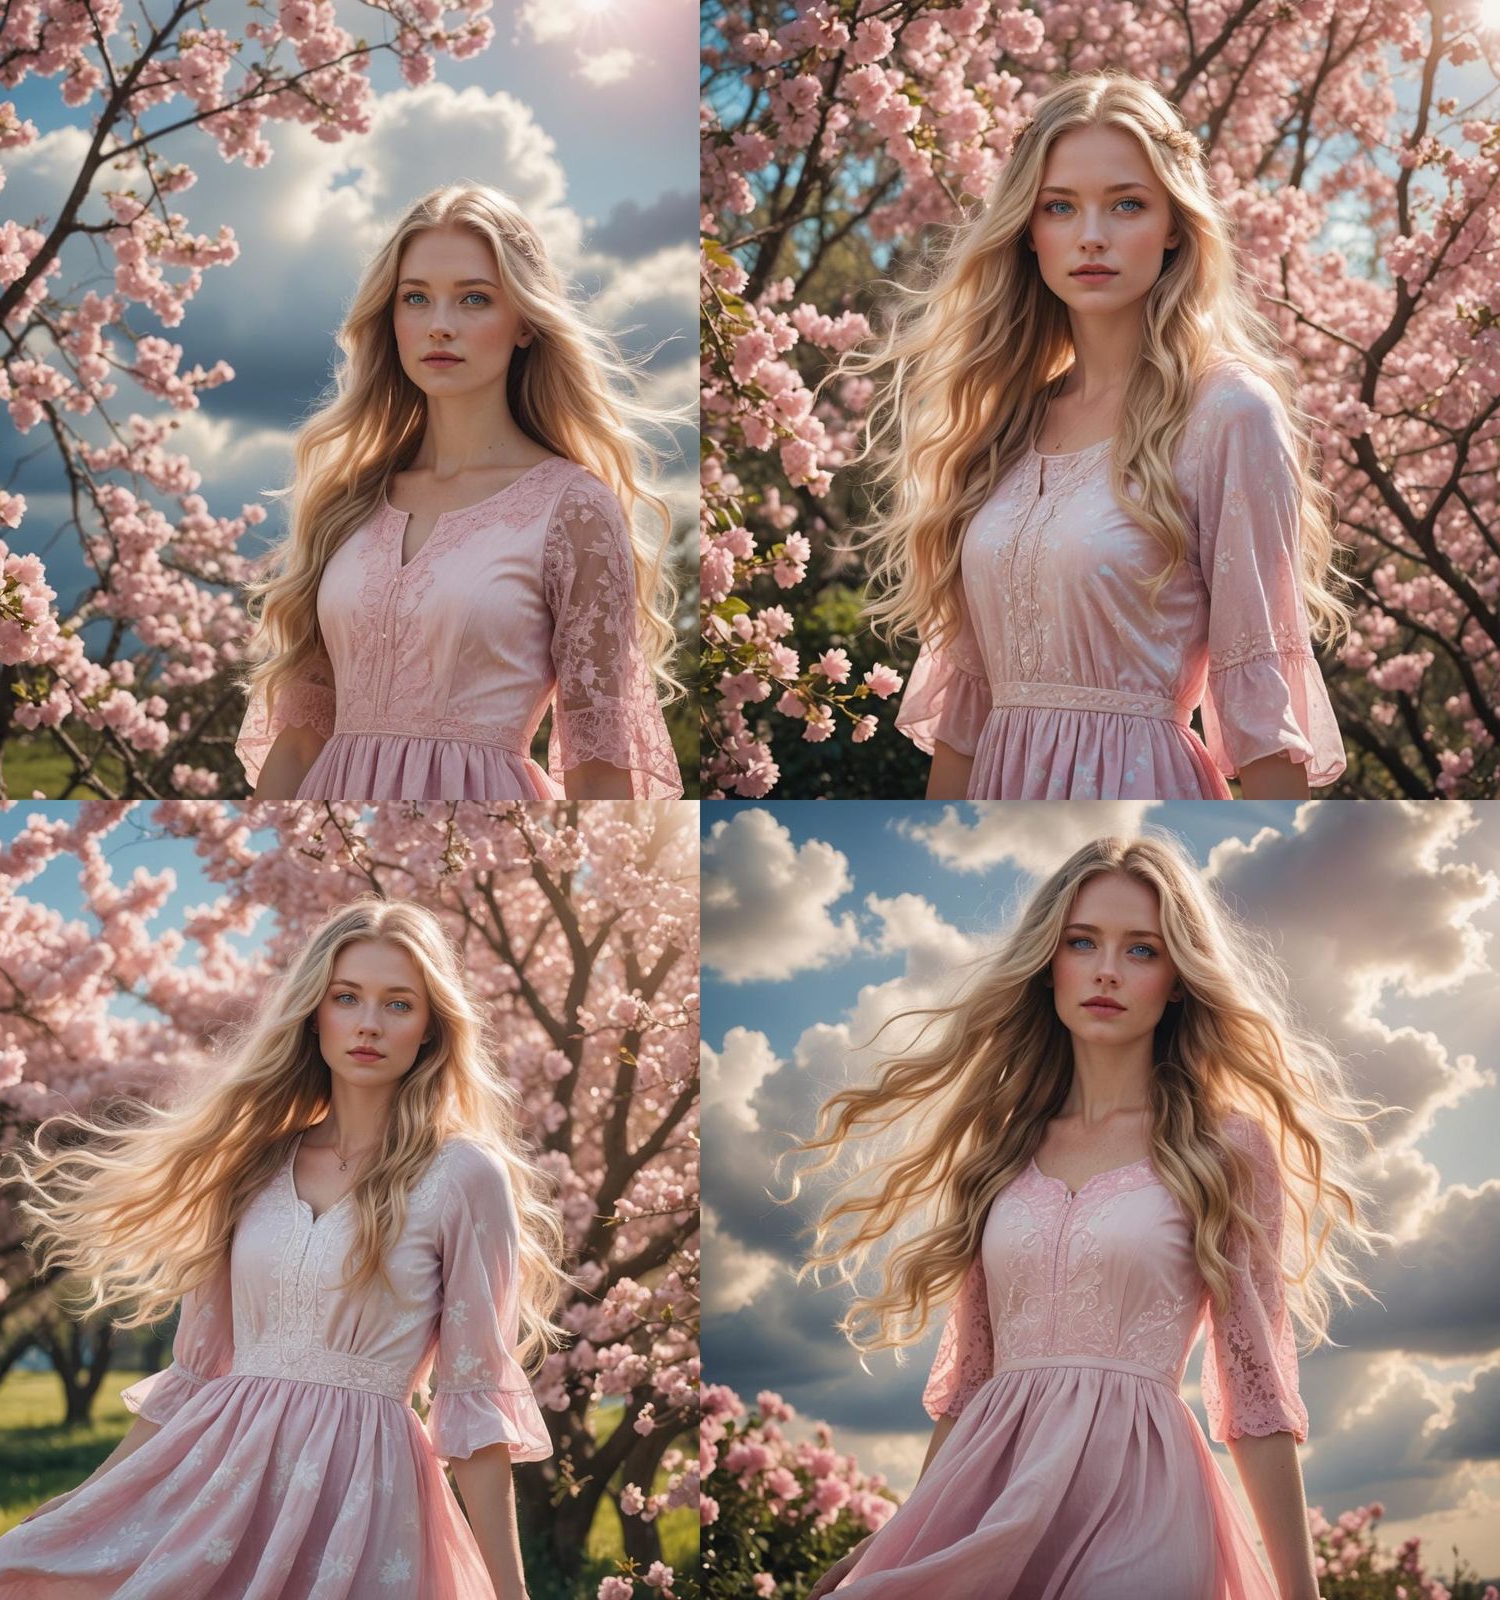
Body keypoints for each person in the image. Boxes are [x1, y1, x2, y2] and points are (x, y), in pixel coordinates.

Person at [790, 835, 1380, 1600]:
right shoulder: (1000, 1145)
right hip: (993, 1504)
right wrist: (896, 1542)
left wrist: (1303, 1596)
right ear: (1049, 962)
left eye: (1142, 950)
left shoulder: (1225, 1146)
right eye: (1082, 942)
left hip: (1144, 1505)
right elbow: (973, 1384)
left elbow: (1256, 1391)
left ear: (1177, 979)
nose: (1106, 970)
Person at [0, 897, 565, 1600]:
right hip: (222, 1483)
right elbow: (196, 1375)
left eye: (398, 1004)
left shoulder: (463, 1176)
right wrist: (89, 1499)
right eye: (346, 997)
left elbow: (474, 1406)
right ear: (314, 1013)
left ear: (430, 1027)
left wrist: (512, 1594)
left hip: (363, 1496)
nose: (368, 1022)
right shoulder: (252, 1164)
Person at [847, 73, 1350, 800]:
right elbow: (964, 719)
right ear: (1028, 228)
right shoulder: (1004, 422)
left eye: (1127, 204)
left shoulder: (1229, 413)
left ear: (1174, 224)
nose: (1091, 236)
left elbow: (1258, 689)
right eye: (1060, 206)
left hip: (1143, 793)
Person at [237, 182, 683, 802]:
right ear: (389, 318)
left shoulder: (572, 507)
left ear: (524, 322)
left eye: (474, 299)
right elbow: (299, 741)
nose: (439, 326)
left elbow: (598, 761)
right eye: (415, 298)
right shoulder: (347, 499)